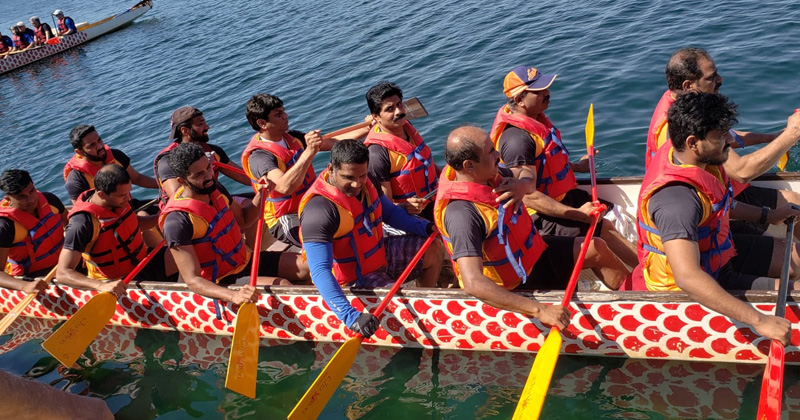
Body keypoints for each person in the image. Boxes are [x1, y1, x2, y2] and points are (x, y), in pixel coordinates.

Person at [636, 92, 800, 345]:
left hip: (717, 252)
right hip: (698, 283)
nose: (729, 142)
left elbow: (720, 203)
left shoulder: (692, 157)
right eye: (720, 137)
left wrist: (769, 215)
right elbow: (688, 277)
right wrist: (760, 320)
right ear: (693, 142)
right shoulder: (676, 201)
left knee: (796, 257)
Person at [433, 126, 628, 327]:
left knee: (596, 248)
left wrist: (521, 185)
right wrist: (539, 309)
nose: (499, 154)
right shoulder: (461, 214)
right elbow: (474, 283)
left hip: (534, 255)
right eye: (491, 152)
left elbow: (527, 176)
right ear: (469, 166)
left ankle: (635, 299)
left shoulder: (491, 175)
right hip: (515, 286)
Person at [490, 65, 638, 268]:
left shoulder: (535, 121)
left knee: (609, 217)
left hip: (561, 198)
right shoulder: (517, 141)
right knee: (601, 229)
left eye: (546, 88)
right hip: (539, 218)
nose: (547, 93)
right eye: (539, 91)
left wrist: (578, 166)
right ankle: (645, 282)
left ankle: (644, 272)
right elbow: (527, 195)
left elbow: (546, 162)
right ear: (519, 100)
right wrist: (579, 215)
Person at [645, 47, 800, 237]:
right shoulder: (676, 126)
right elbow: (742, 171)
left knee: (793, 202)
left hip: (721, 194)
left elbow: (723, 136)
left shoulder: (680, 105)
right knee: (794, 206)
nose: (720, 80)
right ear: (688, 86)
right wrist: (792, 134)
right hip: (709, 209)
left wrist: (771, 137)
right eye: (711, 77)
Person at [299, 140, 447, 338]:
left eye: (362, 175)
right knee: (404, 302)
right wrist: (351, 317)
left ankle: (425, 303)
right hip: (355, 279)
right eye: (348, 177)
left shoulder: (369, 183)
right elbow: (319, 271)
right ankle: (419, 317)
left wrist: (427, 228)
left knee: (434, 248)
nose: (357, 184)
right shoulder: (320, 211)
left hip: (380, 255)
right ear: (331, 169)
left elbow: (392, 215)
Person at [160, 143, 309, 305]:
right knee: (284, 287)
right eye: (199, 175)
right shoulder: (177, 221)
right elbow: (192, 280)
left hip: (246, 260)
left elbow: (245, 219)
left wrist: (261, 195)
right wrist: (233, 296)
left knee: (307, 267)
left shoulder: (216, 189)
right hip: (222, 280)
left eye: (209, 168)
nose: (209, 176)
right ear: (181, 180)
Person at [241, 94, 370, 248]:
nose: (286, 116)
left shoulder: (293, 138)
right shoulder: (259, 157)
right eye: (278, 114)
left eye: (283, 111)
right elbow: (284, 187)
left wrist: (367, 127)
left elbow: (333, 142)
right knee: (328, 238)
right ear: (262, 123)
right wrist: (310, 151)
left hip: (311, 203)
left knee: (359, 206)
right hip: (286, 217)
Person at [56, 165, 177, 297]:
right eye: (122, 195)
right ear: (102, 194)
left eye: (128, 192)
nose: (127, 198)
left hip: (143, 262)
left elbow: (134, 225)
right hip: (117, 281)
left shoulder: (117, 200)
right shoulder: (81, 223)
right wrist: (102, 286)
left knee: (188, 254)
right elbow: (63, 273)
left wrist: (162, 216)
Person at [364, 82, 438, 220]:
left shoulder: (407, 127)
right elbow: (387, 206)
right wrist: (405, 206)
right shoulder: (377, 154)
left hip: (437, 198)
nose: (399, 111)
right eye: (390, 109)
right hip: (413, 218)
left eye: (399, 104)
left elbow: (424, 163)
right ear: (376, 117)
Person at [154, 106, 251, 209]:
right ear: (185, 130)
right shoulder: (167, 161)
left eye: (205, 123)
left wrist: (265, 180)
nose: (207, 127)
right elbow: (179, 198)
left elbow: (244, 177)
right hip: (186, 213)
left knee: (248, 205)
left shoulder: (212, 151)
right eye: (200, 124)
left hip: (210, 199)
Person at [0, 169, 65, 293]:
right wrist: (24, 286)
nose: (30, 200)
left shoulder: (49, 200)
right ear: (8, 200)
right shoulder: (5, 226)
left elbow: (69, 225)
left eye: (31, 191)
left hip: (66, 265)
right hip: (34, 279)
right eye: (21, 197)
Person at [64, 124, 158, 205]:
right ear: (80, 152)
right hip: (106, 219)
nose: (100, 146)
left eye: (99, 140)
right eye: (92, 145)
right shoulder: (76, 179)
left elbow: (137, 178)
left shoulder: (115, 155)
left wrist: (163, 185)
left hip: (128, 205)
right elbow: (82, 212)